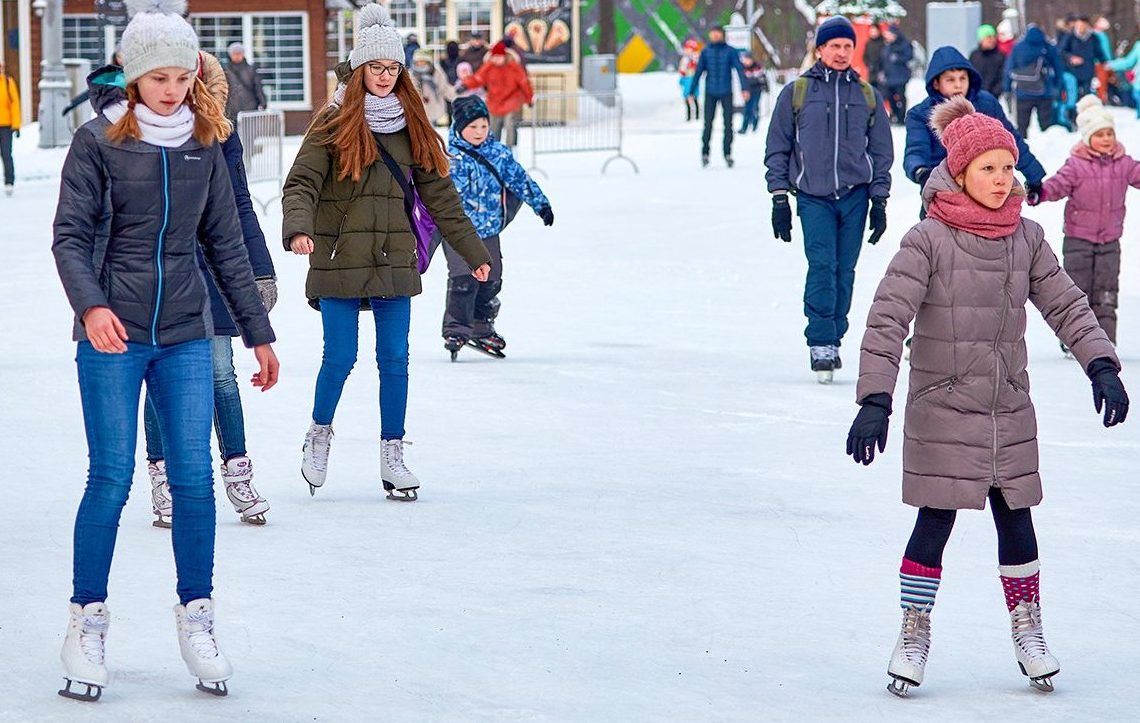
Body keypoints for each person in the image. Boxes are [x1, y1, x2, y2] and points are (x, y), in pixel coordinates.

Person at [847, 95, 1128, 697]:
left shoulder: (1025, 238)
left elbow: (1065, 303)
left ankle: (1028, 625)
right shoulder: (927, 239)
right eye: (987, 169)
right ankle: (914, 627)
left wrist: (1101, 363)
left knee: (1017, 518)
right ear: (960, 172)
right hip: (943, 404)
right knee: (935, 520)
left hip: (1007, 406)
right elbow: (887, 320)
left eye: (1007, 167)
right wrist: (875, 400)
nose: (1002, 180)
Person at [51, 0, 279, 700]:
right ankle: (86, 619)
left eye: (183, 76)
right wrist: (90, 306)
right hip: (112, 334)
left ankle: (197, 614)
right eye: (159, 78)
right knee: (113, 477)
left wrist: (258, 332)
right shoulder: (97, 142)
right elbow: (69, 235)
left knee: (192, 480)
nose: (173, 88)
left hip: (183, 329)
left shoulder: (204, 144)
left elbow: (224, 244)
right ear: (134, 76)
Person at [282, 4, 491, 502]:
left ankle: (392, 454)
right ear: (358, 70)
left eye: (393, 68)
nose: (385, 76)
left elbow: (442, 198)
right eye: (376, 67)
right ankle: (319, 434)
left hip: (394, 256)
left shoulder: (413, 126)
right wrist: (298, 229)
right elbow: (301, 183)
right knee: (341, 357)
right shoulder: (332, 123)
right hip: (338, 255)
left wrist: (473, 250)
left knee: (395, 360)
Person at [137, 50, 277, 528]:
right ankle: (164, 479)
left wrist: (261, 269)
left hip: (215, 270)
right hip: (160, 274)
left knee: (220, 372)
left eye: (190, 83)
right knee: (160, 378)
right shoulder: (144, 136)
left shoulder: (221, 137)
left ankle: (237, 470)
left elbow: (240, 205)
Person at [764, 15, 893, 383]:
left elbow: (882, 153)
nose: (840, 52)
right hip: (813, 196)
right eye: (833, 46)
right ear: (819, 50)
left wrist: (879, 201)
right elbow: (778, 147)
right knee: (822, 265)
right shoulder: (797, 93)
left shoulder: (867, 95)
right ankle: (821, 341)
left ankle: (835, 333)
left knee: (845, 270)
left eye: (847, 46)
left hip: (854, 197)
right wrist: (778, 198)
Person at [441, 96, 553, 360]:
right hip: (458, 232)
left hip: (489, 229)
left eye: (483, 126)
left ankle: (481, 327)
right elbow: (438, 196)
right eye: (472, 127)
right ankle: (456, 329)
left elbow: (519, 180)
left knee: (492, 279)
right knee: (463, 278)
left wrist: (541, 205)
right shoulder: (451, 159)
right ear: (459, 128)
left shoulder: (498, 154)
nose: (479, 132)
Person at [1030, 95, 1140, 349]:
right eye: (1100, 135)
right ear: (1088, 137)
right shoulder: (1076, 165)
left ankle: (1104, 340)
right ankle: (1075, 339)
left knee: (1106, 290)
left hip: (1110, 240)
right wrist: (1040, 193)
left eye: (1109, 134)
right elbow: (1057, 185)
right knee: (1078, 290)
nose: (1106, 140)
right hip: (1078, 239)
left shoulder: (1123, 164)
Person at [905, 47, 1045, 206]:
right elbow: (916, 150)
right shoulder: (921, 114)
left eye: (962, 78)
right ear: (936, 83)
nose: (958, 85)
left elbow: (1011, 140)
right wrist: (922, 173)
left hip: (987, 188)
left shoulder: (985, 103)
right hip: (945, 192)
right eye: (950, 80)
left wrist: (1034, 177)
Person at [687, 25, 748, 168]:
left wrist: (744, 88)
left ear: (722, 34)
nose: (715, 36)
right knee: (708, 123)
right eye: (712, 33)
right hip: (710, 92)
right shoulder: (706, 52)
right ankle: (705, 153)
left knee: (728, 124)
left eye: (717, 33)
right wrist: (691, 91)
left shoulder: (730, 51)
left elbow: (739, 70)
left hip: (726, 91)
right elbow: (698, 72)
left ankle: (727, 153)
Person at [459, 41, 533, 147]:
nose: (496, 60)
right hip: (494, 103)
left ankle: (510, 149)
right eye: (494, 57)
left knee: (510, 125)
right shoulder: (489, 67)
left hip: (511, 101)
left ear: (504, 56)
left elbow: (525, 83)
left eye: (499, 57)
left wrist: (529, 99)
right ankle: (494, 150)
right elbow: (478, 78)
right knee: (493, 129)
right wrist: (465, 84)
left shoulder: (514, 67)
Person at [1004, 25, 1066, 138]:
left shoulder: (1018, 47)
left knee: (1022, 126)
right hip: (1045, 92)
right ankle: (1050, 148)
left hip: (1022, 92)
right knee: (1047, 126)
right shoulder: (1047, 47)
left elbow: (1008, 69)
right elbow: (1058, 68)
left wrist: (1007, 88)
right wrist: (1058, 86)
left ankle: (1021, 149)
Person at [1058, 16, 1108, 115]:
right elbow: (1062, 51)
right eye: (1078, 25)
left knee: (1087, 96)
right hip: (1072, 71)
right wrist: (1071, 58)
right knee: (1073, 95)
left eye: (1083, 25)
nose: (1080, 27)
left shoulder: (1093, 38)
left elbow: (1099, 53)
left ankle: (1087, 115)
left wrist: (1105, 62)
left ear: (1087, 26)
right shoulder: (1070, 37)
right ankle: (1072, 116)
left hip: (1088, 72)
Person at [410, 49, 456, 125]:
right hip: (416, 113)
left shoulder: (436, 73)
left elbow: (444, 88)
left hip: (435, 111)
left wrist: (457, 96)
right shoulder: (411, 75)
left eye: (423, 61)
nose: (420, 64)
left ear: (429, 62)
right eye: (418, 62)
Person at [879, 24, 914, 124]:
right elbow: (883, 60)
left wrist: (898, 58)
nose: (887, 36)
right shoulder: (887, 46)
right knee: (889, 96)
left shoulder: (904, 44)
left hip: (901, 76)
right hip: (889, 76)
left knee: (901, 96)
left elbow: (909, 56)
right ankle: (895, 114)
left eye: (889, 34)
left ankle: (901, 116)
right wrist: (882, 71)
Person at [223, 42, 266, 121]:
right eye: (234, 53)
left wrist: (263, 102)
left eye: (239, 53)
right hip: (232, 110)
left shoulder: (251, 69)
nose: (237, 56)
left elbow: (258, 87)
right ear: (230, 55)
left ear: (243, 54)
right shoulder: (225, 71)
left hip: (250, 108)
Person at [969, 25, 1006, 101]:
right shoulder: (974, 55)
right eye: (988, 37)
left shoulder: (1000, 56)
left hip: (992, 98)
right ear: (981, 39)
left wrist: (994, 93)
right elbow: (970, 74)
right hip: (975, 97)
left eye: (993, 36)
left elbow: (1002, 77)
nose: (992, 39)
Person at [0, 58, 19, 196]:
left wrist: (16, 125)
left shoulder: (7, 82)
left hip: (6, 125)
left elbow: (15, 105)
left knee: (6, 154)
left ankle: (9, 181)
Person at [738, 53, 768, 134]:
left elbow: (763, 78)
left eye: (748, 59)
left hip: (756, 90)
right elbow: (742, 81)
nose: (746, 62)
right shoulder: (743, 69)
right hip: (748, 91)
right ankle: (744, 127)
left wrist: (765, 87)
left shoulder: (757, 67)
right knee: (747, 108)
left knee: (754, 107)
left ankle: (755, 124)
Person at [678, 39, 701, 122]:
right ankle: (689, 115)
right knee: (687, 96)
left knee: (694, 96)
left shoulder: (696, 58)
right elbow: (681, 69)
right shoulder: (684, 59)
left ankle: (697, 115)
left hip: (693, 79)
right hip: (686, 78)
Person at [864, 23, 885, 99]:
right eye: (871, 31)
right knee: (871, 93)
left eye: (874, 31)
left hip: (881, 72)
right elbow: (865, 57)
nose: (873, 33)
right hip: (872, 72)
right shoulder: (869, 43)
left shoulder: (883, 42)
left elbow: (885, 57)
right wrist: (869, 64)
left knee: (882, 93)